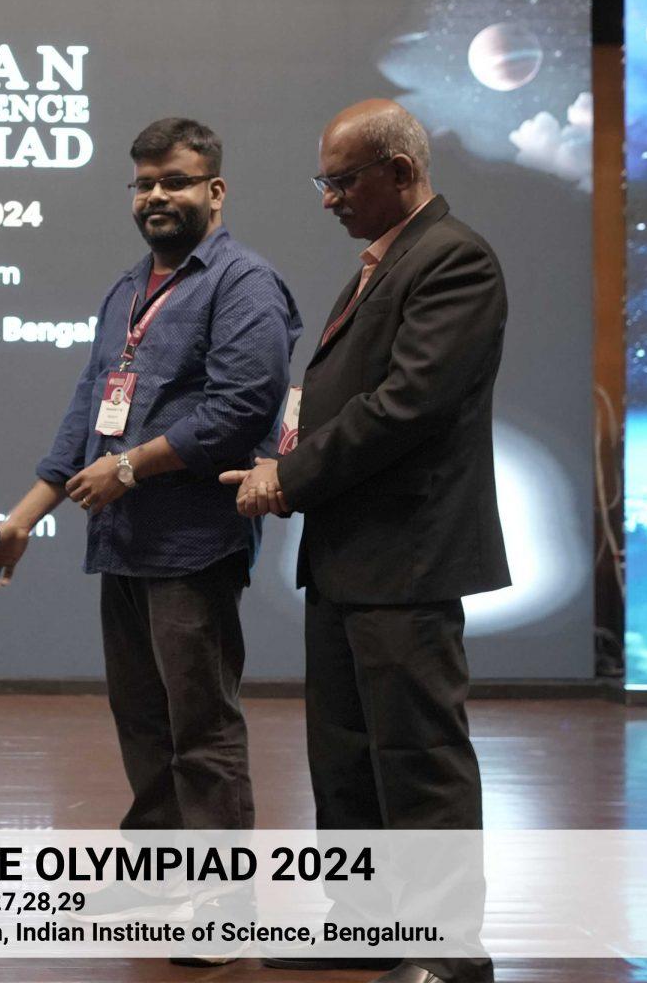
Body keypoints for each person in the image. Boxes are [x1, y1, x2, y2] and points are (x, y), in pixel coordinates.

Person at [0, 117, 300, 913]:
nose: (157, 195)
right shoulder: (128, 290)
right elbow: (88, 412)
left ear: (215, 191)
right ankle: (157, 877)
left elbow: (242, 408)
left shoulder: (245, 283)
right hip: (121, 540)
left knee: (201, 725)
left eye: (175, 181)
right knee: (143, 721)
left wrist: (129, 467)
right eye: (145, 183)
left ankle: (223, 908)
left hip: (193, 541)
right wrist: (23, 519)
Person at [223, 99, 508, 983]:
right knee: (345, 754)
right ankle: (364, 922)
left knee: (418, 755)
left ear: (401, 170)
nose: (328, 198)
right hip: (352, 554)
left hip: (409, 554)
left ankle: (448, 952)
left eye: (342, 181)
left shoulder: (453, 259)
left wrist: (288, 477)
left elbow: (406, 405)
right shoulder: (385, 263)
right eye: (325, 180)